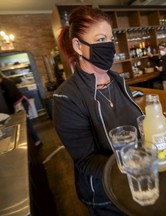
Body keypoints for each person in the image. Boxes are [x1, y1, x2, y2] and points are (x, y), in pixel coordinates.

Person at [52, 6, 143, 216]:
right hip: (104, 195)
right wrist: (130, 167)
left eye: (110, 39)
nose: (109, 46)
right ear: (78, 45)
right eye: (101, 39)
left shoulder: (119, 80)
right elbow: (85, 159)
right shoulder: (66, 98)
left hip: (136, 183)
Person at [0, 72, 41, 147]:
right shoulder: (3, 83)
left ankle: (37, 139)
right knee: (24, 123)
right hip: (16, 105)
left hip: (20, 104)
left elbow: (13, 97)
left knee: (26, 122)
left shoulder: (6, 83)